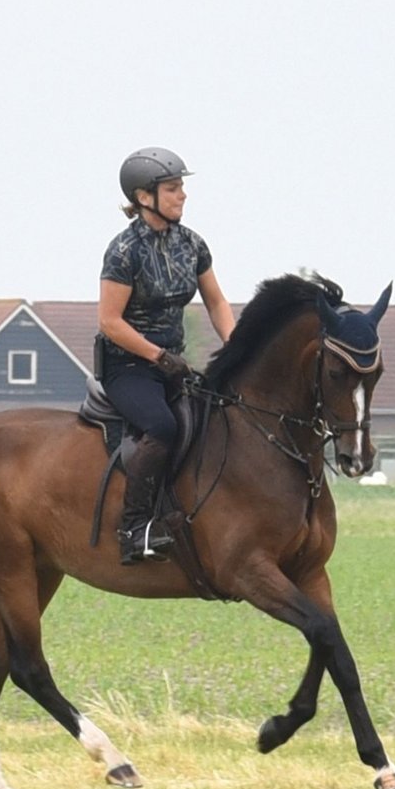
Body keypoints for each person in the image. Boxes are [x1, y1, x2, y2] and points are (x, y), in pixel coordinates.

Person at [96, 146, 235, 565]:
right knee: (163, 426)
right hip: (129, 369)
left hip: (173, 364)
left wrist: (237, 345)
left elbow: (216, 302)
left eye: (181, 188)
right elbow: (110, 321)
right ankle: (134, 529)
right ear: (144, 197)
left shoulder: (192, 244)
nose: (182, 195)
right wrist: (158, 356)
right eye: (173, 188)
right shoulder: (124, 251)